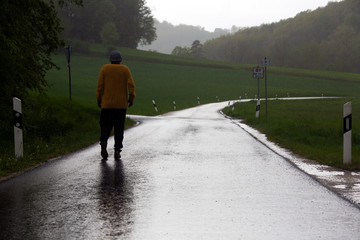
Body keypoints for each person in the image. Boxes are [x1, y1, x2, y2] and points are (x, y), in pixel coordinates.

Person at [96, 50, 135, 160]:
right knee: (119, 129)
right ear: (120, 60)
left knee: (105, 127)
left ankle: (103, 141)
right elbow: (131, 85)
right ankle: (117, 150)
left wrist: (99, 100)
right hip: (121, 106)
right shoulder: (125, 69)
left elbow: (100, 87)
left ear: (110, 60)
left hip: (107, 105)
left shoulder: (104, 69)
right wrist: (131, 99)